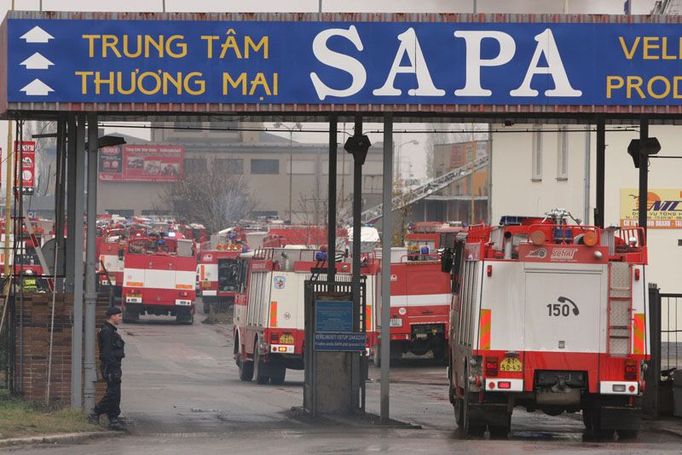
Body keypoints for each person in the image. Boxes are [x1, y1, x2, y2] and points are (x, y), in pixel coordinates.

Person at [89, 306, 126, 430]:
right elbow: (106, 353)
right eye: (119, 316)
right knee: (112, 393)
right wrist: (112, 368)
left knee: (116, 393)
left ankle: (113, 418)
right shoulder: (107, 331)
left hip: (114, 365)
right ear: (112, 316)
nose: (120, 318)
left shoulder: (111, 330)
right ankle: (96, 412)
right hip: (111, 366)